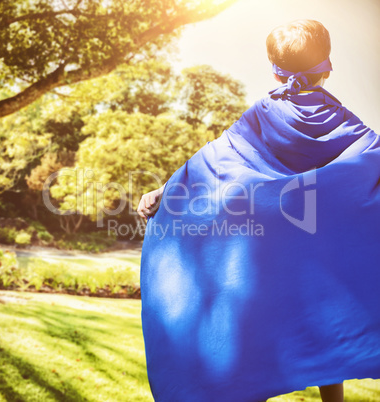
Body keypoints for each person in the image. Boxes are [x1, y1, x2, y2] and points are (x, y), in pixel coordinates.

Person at [138, 20, 380, 402]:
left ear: (274, 70)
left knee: (258, 332)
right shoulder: (344, 125)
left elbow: (211, 164)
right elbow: (373, 166)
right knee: (321, 325)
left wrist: (165, 190)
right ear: (328, 67)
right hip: (316, 260)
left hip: (267, 258)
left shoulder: (263, 116)